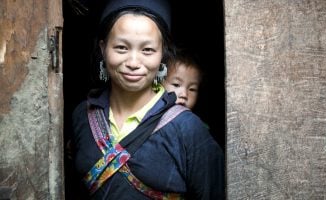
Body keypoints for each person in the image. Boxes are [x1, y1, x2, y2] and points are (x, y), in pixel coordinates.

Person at [70, 0, 225, 199]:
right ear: (103, 48)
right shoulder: (83, 115)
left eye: (147, 50)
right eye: (121, 48)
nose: (133, 63)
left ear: (162, 53)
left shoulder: (187, 129)